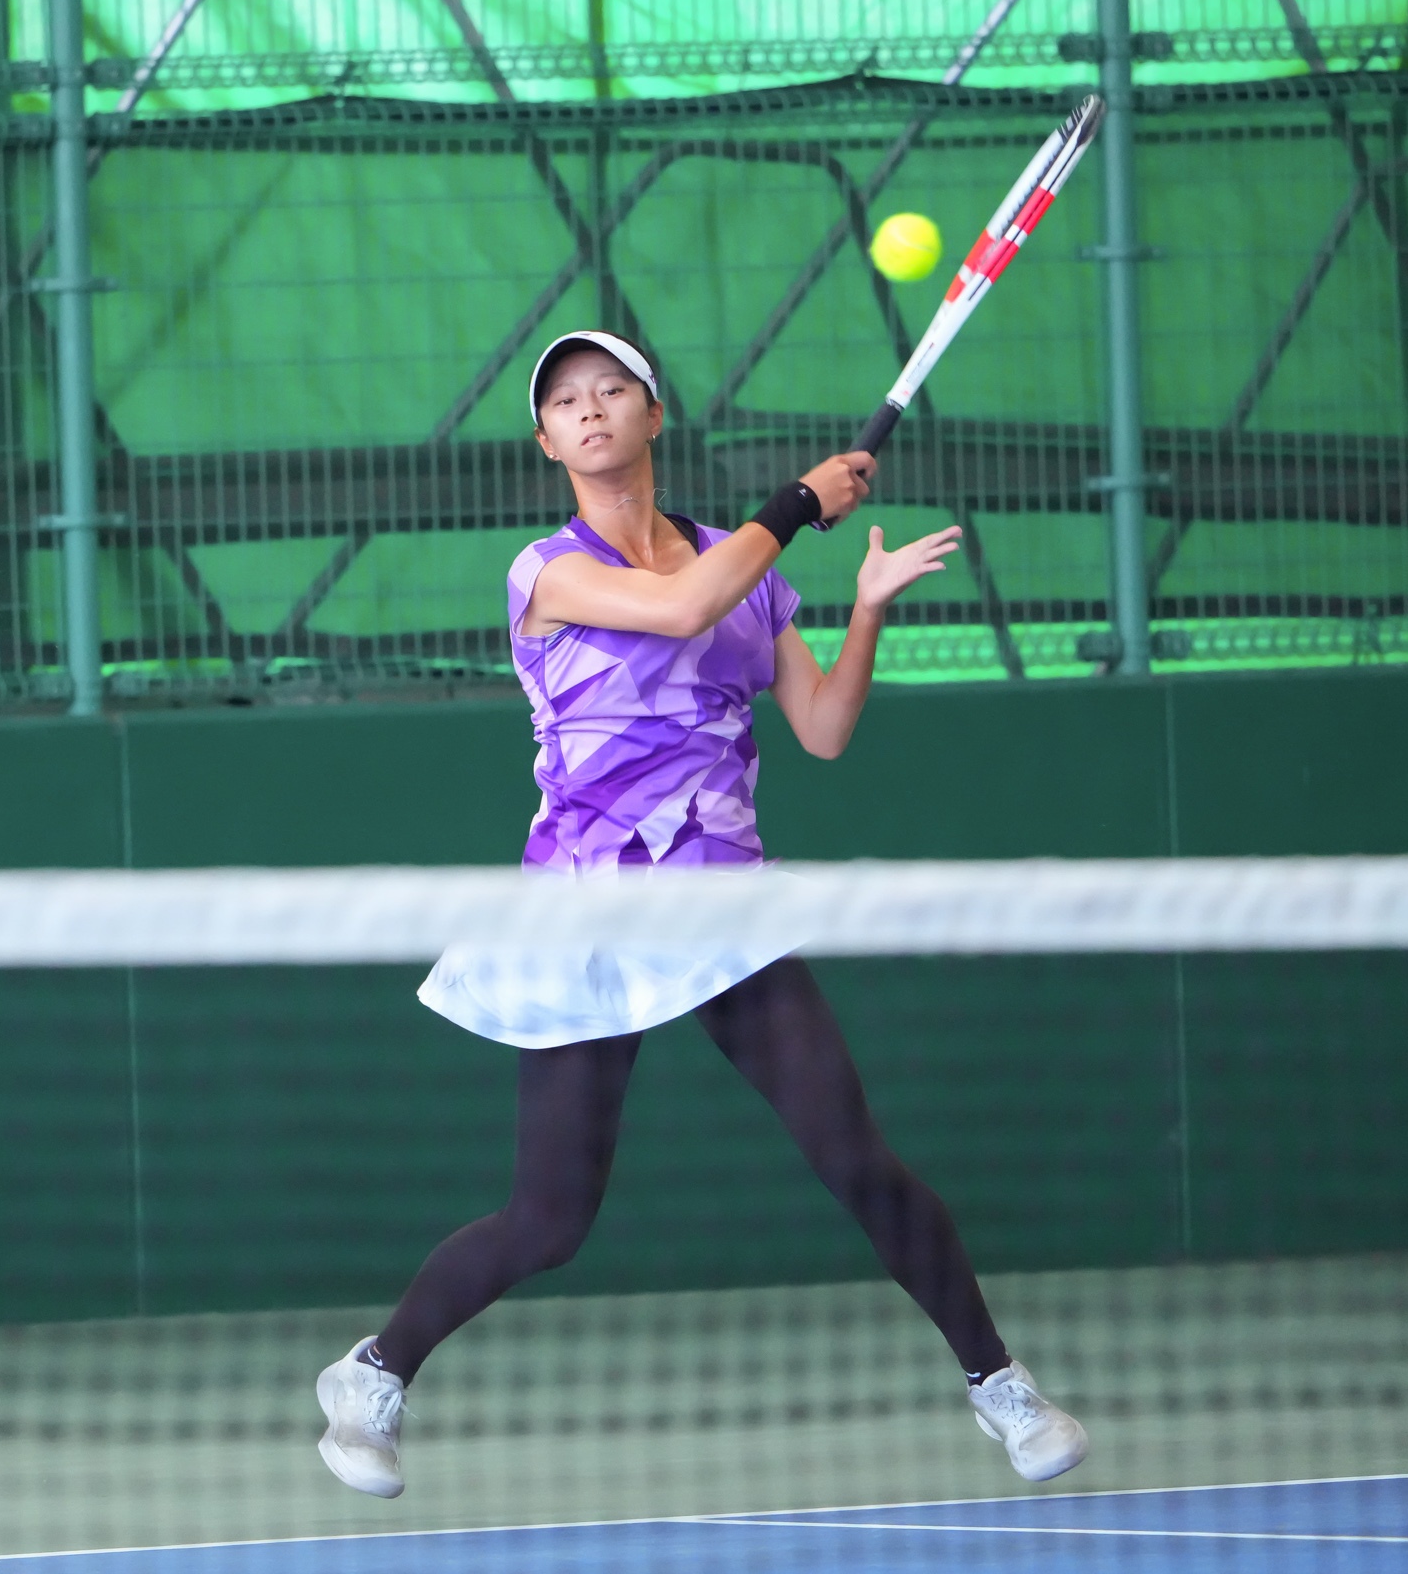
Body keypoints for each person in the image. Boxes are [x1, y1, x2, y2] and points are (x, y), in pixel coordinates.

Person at [313, 330, 1088, 1500]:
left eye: (609, 390)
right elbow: (679, 610)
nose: (588, 409)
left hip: (722, 904)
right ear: (546, 439)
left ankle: (1001, 1385)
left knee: (855, 1156)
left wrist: (865, 607)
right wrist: (800, 503)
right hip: (584, 913)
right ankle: (375, 1371)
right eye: (564, 401)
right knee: (550, 1217)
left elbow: (822, 727)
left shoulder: (743, 565)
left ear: (653, 413)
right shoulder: (546, 572)